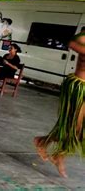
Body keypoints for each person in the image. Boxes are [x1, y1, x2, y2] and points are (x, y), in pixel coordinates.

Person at [33, 31, 85, 178]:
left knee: (80, 131)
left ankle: (45, 144)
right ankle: (54, 152)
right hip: (79, 87)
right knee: (74, 127)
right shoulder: (83, 37)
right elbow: (72, 44)